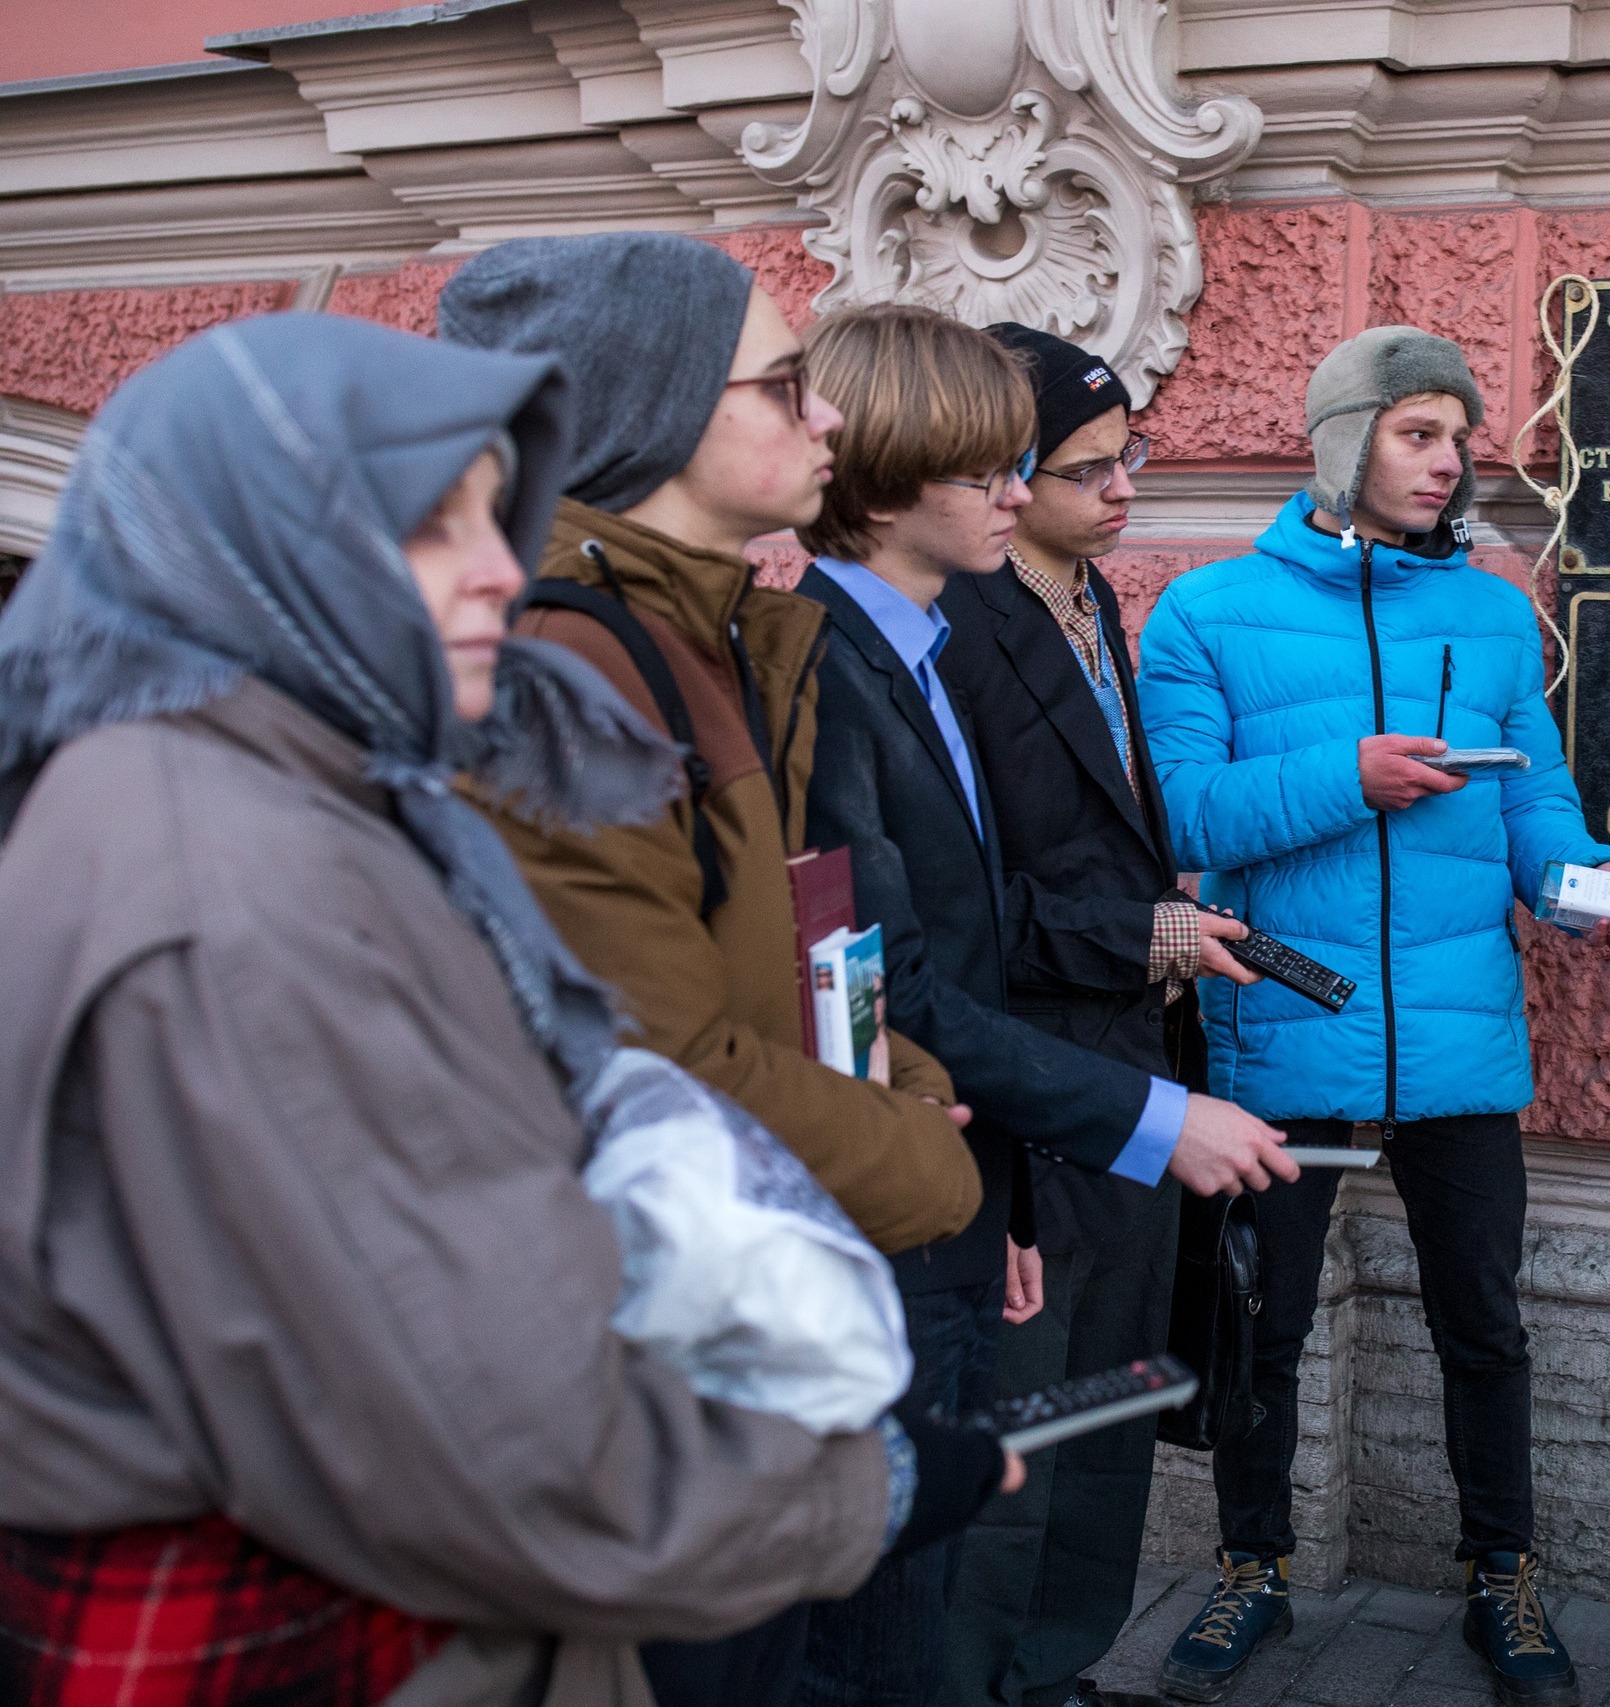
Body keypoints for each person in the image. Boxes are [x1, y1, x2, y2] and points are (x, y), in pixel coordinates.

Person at [0, 313, 1011, 1707]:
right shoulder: (241, 879)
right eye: (427, 523)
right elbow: (510, 1433)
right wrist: (867, 1480)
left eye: (498, 513)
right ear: (249, 543)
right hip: (348, 1630)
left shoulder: (259, 795)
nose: (495, 569)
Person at [1136, 326, 1610, 1707]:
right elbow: (1181, 812)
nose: (1450, 459)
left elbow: (1531, 794)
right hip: (1283, 1030)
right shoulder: (1204, 611)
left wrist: (1590, 884)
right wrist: (1347, 773)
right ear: (1342, 439)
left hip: (1456, 1031)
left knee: (1482, 1317)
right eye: (1420, 431)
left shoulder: (1491, 609)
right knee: (1268, 1316)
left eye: (1460, 435)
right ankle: (1253, 1567)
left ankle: (1506, 1572)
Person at [789, 304, 1299, 1707]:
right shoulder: (826, 662)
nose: (1023, 493)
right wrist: (1131, 1116)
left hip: (1024, 1119)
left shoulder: (925, 635)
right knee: (958, 1538)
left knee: (1088, 1440)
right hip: (968, 1138)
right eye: (994, 467)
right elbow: (876, 981)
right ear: (886, 472)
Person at [437, 232, 981, 1262]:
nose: (827, 416)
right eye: (784, 386)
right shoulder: (568, 669)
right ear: (658, 405)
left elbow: (754, 973)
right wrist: (918, 1153)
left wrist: (897, 1077)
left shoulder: (713, 636)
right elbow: (651, 1069)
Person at [932, 324, 1265, 1707]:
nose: (1125, 485)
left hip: (1136, 1063)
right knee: (1020, 1431)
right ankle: (989, 1678)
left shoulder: (1098, 601)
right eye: (1087, 467)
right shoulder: (953, 626)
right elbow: (967, 905)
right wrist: (1141, 929)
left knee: (1111, 1408)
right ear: (1002, 474)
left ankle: (1064, 1666)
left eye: (1130, 453)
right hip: (1032, 1086)